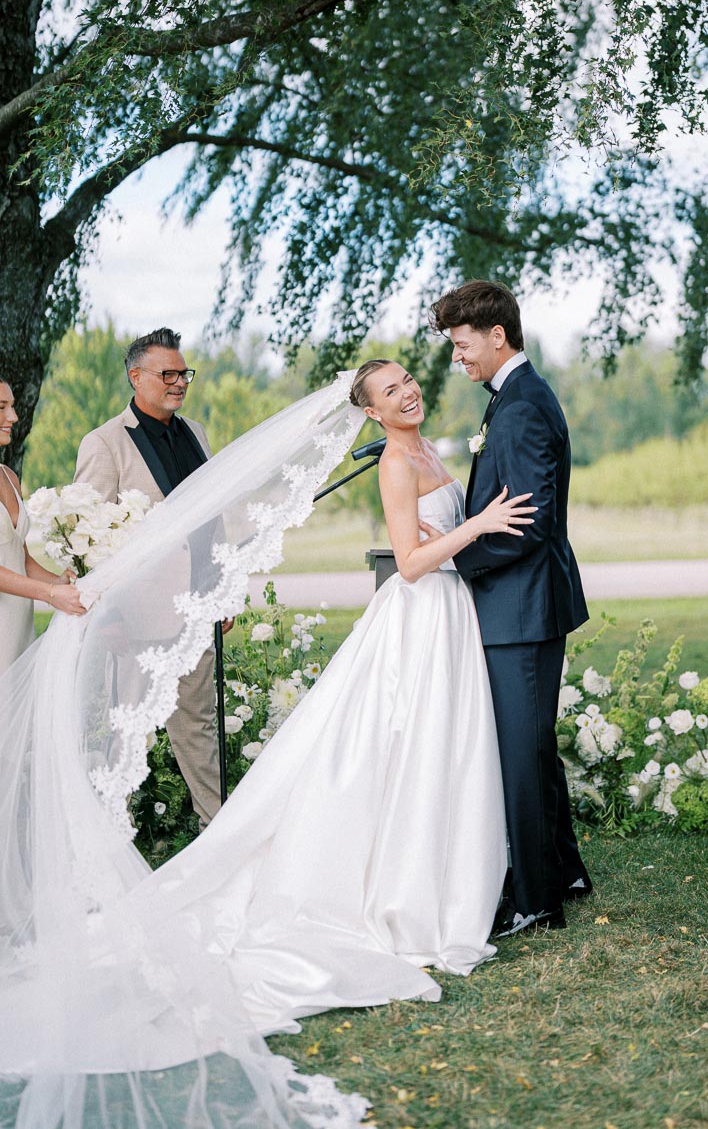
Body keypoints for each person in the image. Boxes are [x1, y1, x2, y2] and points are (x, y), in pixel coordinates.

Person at [0, 364, 534, 1127]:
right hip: (417, 618)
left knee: (434, 754)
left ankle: (443, 869)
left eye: (410, 381)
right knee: (393, 753)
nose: (408, 393)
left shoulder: (434, 452)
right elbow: (411, 561)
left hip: (446, 621)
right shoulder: (391, 459)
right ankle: (399, 886)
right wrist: (478, 527)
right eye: (390, 392)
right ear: (371, 413)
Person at [429, 280, 592, 934]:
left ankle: (535, 898)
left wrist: (454, 559)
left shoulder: (521, 407)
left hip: (521, 608)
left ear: (498, 336)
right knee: (534, 748)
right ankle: (564, 869)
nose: (457, 360)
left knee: (520, 755)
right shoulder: (515, 397)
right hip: (523, 605)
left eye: (462, 346)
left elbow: (527, 522)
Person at [74, 326, 222, 828]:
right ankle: (107, 837)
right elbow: (87, 538)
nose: (180, 382)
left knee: (199, 729)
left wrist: (220, 594)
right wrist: (109, 615)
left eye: (184, 373)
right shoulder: (104, 444)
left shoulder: (196, 433)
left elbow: (209, 520)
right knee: (129, 733)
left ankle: (215, 830)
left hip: (199, 610)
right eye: (169, 373)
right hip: (135, 621)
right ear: (136, 377)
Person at [0, 375, 85, 671]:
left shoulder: (9, 477)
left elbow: (19, 557)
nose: (13, 416)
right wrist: (48, 595)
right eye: (2, 407)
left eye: (12, 406)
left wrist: (57, 581)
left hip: (16, 624)